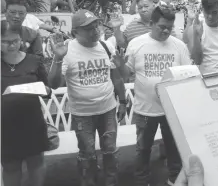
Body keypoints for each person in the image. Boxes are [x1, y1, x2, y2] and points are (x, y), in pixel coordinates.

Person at [48, 10, 127, 186]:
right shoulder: (67, 50)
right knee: (87, 154)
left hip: (108, 110)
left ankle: (110, 183)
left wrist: (122, 101)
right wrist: (58, 58)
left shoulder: (106, 47)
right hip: (82, 115)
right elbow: (53, 84)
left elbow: (117, 77)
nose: (95, 30)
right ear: (75, 31)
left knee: (110, 151)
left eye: (96, 25)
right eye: (89, 28)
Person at [116, 6, 191, 186]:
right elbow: (126, 74)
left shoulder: (179, 45)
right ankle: (142, 181)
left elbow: (187, 75)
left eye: (169, 27)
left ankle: (174, 180)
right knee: (143, 149)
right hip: (145, 110)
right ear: (151, 24)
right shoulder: (136, 43)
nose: (166, 31)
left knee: (173, 149)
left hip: (171, 110)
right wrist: (120, 66)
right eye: (162, 26)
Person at [1, 21, 52, 186]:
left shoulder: (34, 61)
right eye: (5, 41)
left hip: (32, 123)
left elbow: (48, 89)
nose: (12, 45)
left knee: (36, 164)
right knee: (10, 167)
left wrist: (45, 90)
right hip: (5, 126)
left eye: (15, 41)